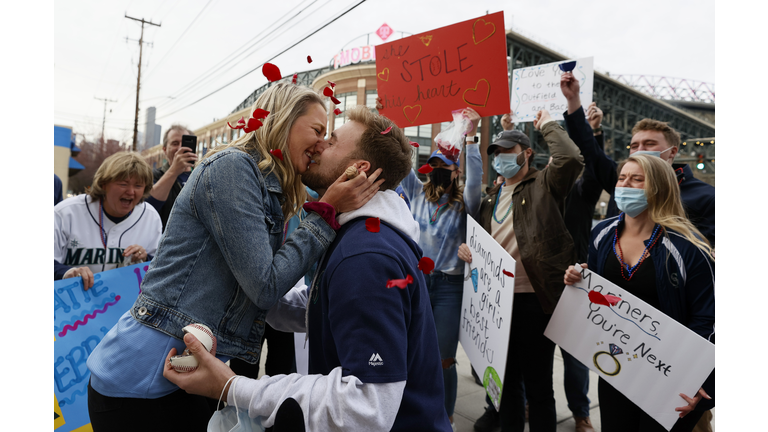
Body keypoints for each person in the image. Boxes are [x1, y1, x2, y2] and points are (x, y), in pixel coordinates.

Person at [85, 83, 383, 431]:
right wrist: (326, 212)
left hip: (188, 373)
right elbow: (265, 286)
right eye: (317, 130)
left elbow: (264, 295)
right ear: (284, 121)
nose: (321, 143)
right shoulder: (233, 169)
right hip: (139, 382)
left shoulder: (266, 188)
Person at [164, 105, 452, 431]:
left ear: (358, 168)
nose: (319, 145)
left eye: (331, 140)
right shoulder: (359, 236)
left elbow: (366, 407)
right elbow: (323, 304)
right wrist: (249, 283)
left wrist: (231, 387)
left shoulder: (366, 256)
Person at [563, 154, 715, 432]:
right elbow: (596, 298)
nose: (625, 185)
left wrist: (702, 382)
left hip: (670, 376)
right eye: (622, 178)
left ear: (659, 188)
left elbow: (708, 319)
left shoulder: (689, 248)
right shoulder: (602, 236)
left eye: (637, 180)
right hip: (618, 368)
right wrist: (577, 279)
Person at [459, 109, 584, 432]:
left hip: (535, 301)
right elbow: (483, 240)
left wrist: (546, 125)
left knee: (539, 386)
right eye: (496, 154)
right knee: (507, 384)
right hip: (498, 304)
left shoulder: (545, 184)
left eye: (508, 153)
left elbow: (570, 158)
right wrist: (469, 251)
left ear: (527, 153)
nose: (501, 159)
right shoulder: (491, 196)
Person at [397, 106, 482, 430]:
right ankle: (416, 407)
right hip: (417, 282)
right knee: (413, 350)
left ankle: (445, 417)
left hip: (449, 287)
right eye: (432, 166)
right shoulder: (417, 193)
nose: (436, 171)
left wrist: (470, 137)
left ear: (455, 171)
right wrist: (393, 124)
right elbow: (402, 162)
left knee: (445, 358)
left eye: (443, 167)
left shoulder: (465, 203)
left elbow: (476, 183)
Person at [54, 152, 162, 289]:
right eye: (123, 184)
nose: (131, 192)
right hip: (71, 303)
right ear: (104, 184)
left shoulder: (150, 217)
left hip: (123, 304)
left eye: (138, 186)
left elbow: (160, 270)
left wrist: (146, 260)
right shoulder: (66, 212)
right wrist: (66, 273)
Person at [146, 124, 198, 231]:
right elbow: (149, 207)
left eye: (184, 143)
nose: (180, 148)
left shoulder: (201, 176)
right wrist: (174, 170)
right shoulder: (154, 175)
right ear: (164, 149)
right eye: (175, 143)